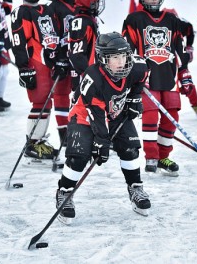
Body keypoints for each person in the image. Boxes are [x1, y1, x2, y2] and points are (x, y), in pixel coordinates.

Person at [55, 32, 151, 223]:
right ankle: (64, 193)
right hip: (85, 115)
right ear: (103, 59)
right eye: (115, 57)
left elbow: (141, 78)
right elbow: (96, 116)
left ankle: (135, 188)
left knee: (130, 148)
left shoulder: (137, 66)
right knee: (79, 157)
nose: (121, 62)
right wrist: (101, 142)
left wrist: (134, 98)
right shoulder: (94, 78)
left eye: (124, 56)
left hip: (116, 113)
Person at [122, 0, 192, 177]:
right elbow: (129, 51)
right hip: (147, 80)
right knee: (151, 117)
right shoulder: (134, 20)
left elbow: (179, 50)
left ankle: (163, 157)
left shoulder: (172, 20)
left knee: (172, 117)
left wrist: (185, 72)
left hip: (169, 77)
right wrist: (135, 75)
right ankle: (151, 157)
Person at [11, 0, 63, 161]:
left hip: (50, 63)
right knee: (40, 102)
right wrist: (24, 67)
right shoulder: (22, 11)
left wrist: (59, 59)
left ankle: (38, 141)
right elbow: (17, 41)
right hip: (36, 63)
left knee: (47, 102)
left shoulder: (47, 8)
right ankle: (32, 144)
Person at [49, 0, 78, 146]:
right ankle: (64, 133)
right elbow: (50, 34)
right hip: (62, 58)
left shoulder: (84, 1)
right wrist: (58, 57)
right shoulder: (52, 7)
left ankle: (90, 131)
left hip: (81, 56)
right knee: (61, 95)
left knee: (87, 94)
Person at [164, 8, 197, 120]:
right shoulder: (157, 28)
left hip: (181, 63)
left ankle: (196, 106)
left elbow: (190, 31)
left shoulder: (183, 24)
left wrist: (189, 47)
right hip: (165, 65)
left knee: (188, 85)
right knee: (165, 89)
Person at [68, 0, 105, 91]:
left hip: (89, 74)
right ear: (89, 3)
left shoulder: (88, 19)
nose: (98, 4)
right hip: (84, 77)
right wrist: (89, 75)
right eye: (96, 1)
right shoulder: (81, 21)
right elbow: (77, 55)